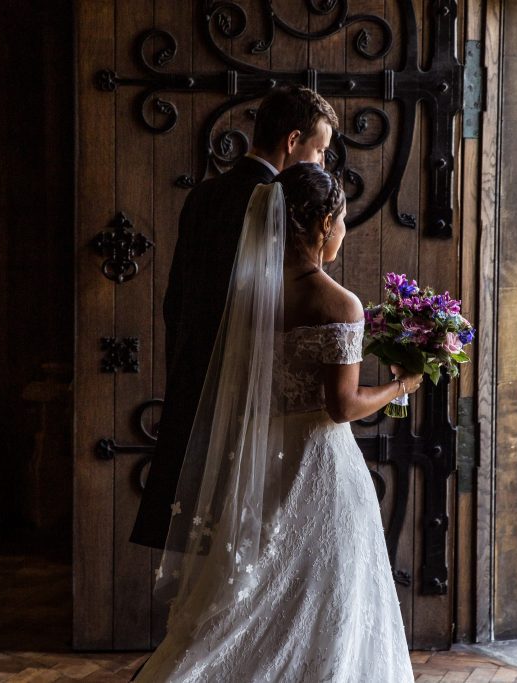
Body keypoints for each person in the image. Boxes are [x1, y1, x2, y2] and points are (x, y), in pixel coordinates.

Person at [133, 163, 422, 681]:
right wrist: (402, 386)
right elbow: (342, 406)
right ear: (319, 224)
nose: (343, 232)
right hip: (319, 464)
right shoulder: (338, 303)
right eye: (341, 220)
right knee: (324, 592)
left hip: (260, 456)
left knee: (251, 587)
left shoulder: (248, 295)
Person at [131, 85, 339, 550]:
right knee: (246, 538)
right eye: (319, 149)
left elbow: (177, 300)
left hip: (195, 377)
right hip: (250, 393)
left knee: (205, 536)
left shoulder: (204, 195)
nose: (321, 163)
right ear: (292, 141)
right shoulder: (277, 203)